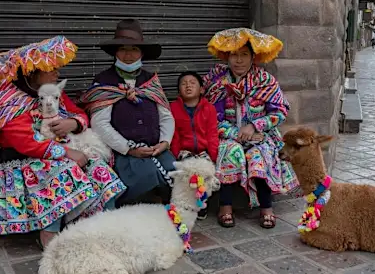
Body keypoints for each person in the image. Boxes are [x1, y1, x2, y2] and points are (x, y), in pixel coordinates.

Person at [0, 36, 126, 248]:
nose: (57, 73)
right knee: (64, 171)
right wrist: (67, 153)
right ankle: (50, 232)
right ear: (34, 73)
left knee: (98, 166)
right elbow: (27, 143)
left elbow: (79, 113)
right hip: (22, 162)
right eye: (52, 69)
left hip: (57, 151)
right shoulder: (10, 103)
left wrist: (72, 123)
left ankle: (107, 222)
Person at [203, 28, 299, 228]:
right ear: (227, 57)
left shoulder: (266, 81)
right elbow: (211, 116)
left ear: (253, 57)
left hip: (260, 135)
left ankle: (266, 208)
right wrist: (235, 134)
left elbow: (280, 111)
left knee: (260, 155)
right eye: (234, 55)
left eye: (244, 55)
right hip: (228, 134)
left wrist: (256, 126)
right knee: (230, 151)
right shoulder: (216, 82)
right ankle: (225, 207)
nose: (239, 60)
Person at [78, 19, 175, 205]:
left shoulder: (151, 80)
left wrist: (164, 142)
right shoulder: (104, 81)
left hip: (156, 148)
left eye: (134, 49)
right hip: (124, 152)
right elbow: (100, 124)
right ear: (115, 52)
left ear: (142, 53)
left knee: (174, 172)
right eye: (123, 49)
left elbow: (166, 116)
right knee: (144, 176)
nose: (128, 55)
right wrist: (129, 148)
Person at [170, 71, 219, 219]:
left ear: (201, 89)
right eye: (184, 84)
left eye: (192, 83)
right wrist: (176, 153)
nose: (188, 86)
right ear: (179, 90)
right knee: (187, 174)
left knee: (204, 173)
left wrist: (213, 155)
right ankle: (184, 205)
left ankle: (201, 204)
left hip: (204, 151)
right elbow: (174, 135)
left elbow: (212, 134)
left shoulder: (209, 108)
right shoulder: (173, 108)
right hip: (184, 151)